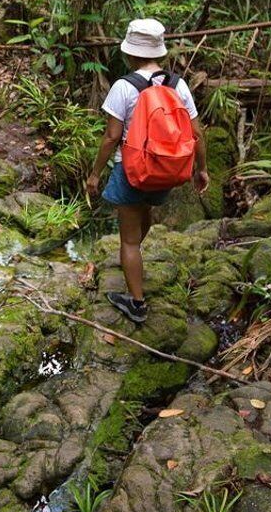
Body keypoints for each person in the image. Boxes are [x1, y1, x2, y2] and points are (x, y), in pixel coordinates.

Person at [85, 18, 208, 323]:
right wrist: (201, 169)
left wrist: (95, 174)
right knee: (145, 213)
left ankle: (136, 304)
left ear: (129, 53)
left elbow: (112, 137)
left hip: (132, 170)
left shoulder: (123, 87)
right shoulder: (178, 85)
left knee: (127, 240)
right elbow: (197, 132)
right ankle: (134, 261)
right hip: (165, 169)